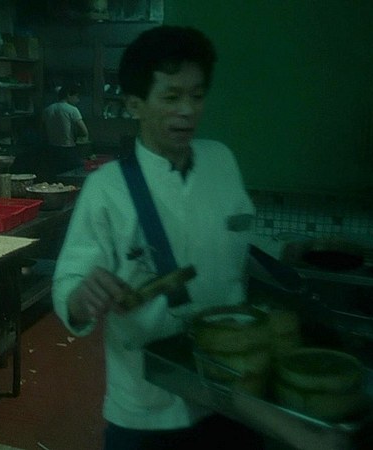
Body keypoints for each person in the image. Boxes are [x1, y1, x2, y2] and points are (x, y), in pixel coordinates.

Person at [51, 26, 262, 450]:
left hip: (231, 392)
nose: (187, 111)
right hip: (145, 404)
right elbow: (70, 282)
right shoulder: (107, 188)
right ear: (134, 104)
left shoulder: (222, 161)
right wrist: (81, 298)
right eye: (171, 97)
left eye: (197, 95)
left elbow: (238, 256)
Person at [41, 83, 89, 179]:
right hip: (68, 151)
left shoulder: (47, 110)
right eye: (76, 96)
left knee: (54, 179)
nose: (78, 100)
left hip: (51, 150)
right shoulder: (72, 110)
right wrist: (77, 137)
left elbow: (42, 131)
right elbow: (84, 132)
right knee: (72, 179)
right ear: (68, 95)